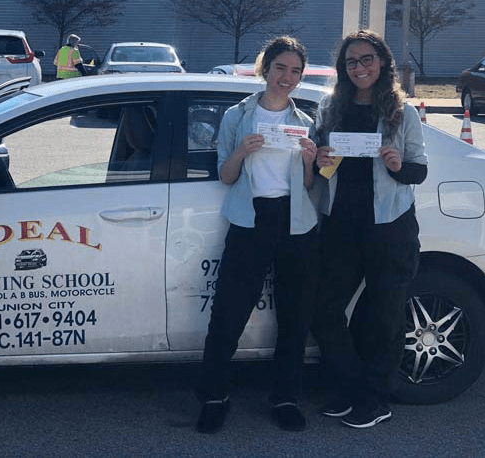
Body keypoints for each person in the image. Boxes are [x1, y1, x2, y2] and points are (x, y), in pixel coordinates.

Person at [195, 36, 320, 434]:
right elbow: (225, 176)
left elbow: (310, 184)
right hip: (251, 219)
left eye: (295, 71)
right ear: (266, 68)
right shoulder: (238, 116)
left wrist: (309, 162)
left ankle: (285, 396)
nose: (287, 77)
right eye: (280, 67)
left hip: (295, 222)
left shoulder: (304, 123)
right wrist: (241, 152)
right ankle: (214, 395)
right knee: (228, 311)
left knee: (296, 314)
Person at [311, 29, 427, 429]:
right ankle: (351, 385)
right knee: (324, 309)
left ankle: (376, 398)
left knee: (385, 315)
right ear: (343, 69)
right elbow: (316, 165)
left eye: (366, 59)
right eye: (351, 61)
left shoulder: (402, 112)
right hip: (341, 225)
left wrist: (398, 165)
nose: (359, 67)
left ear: (382, 63)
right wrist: (319, 157)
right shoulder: (330, 108)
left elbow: (419, 170)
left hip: (389, 226)